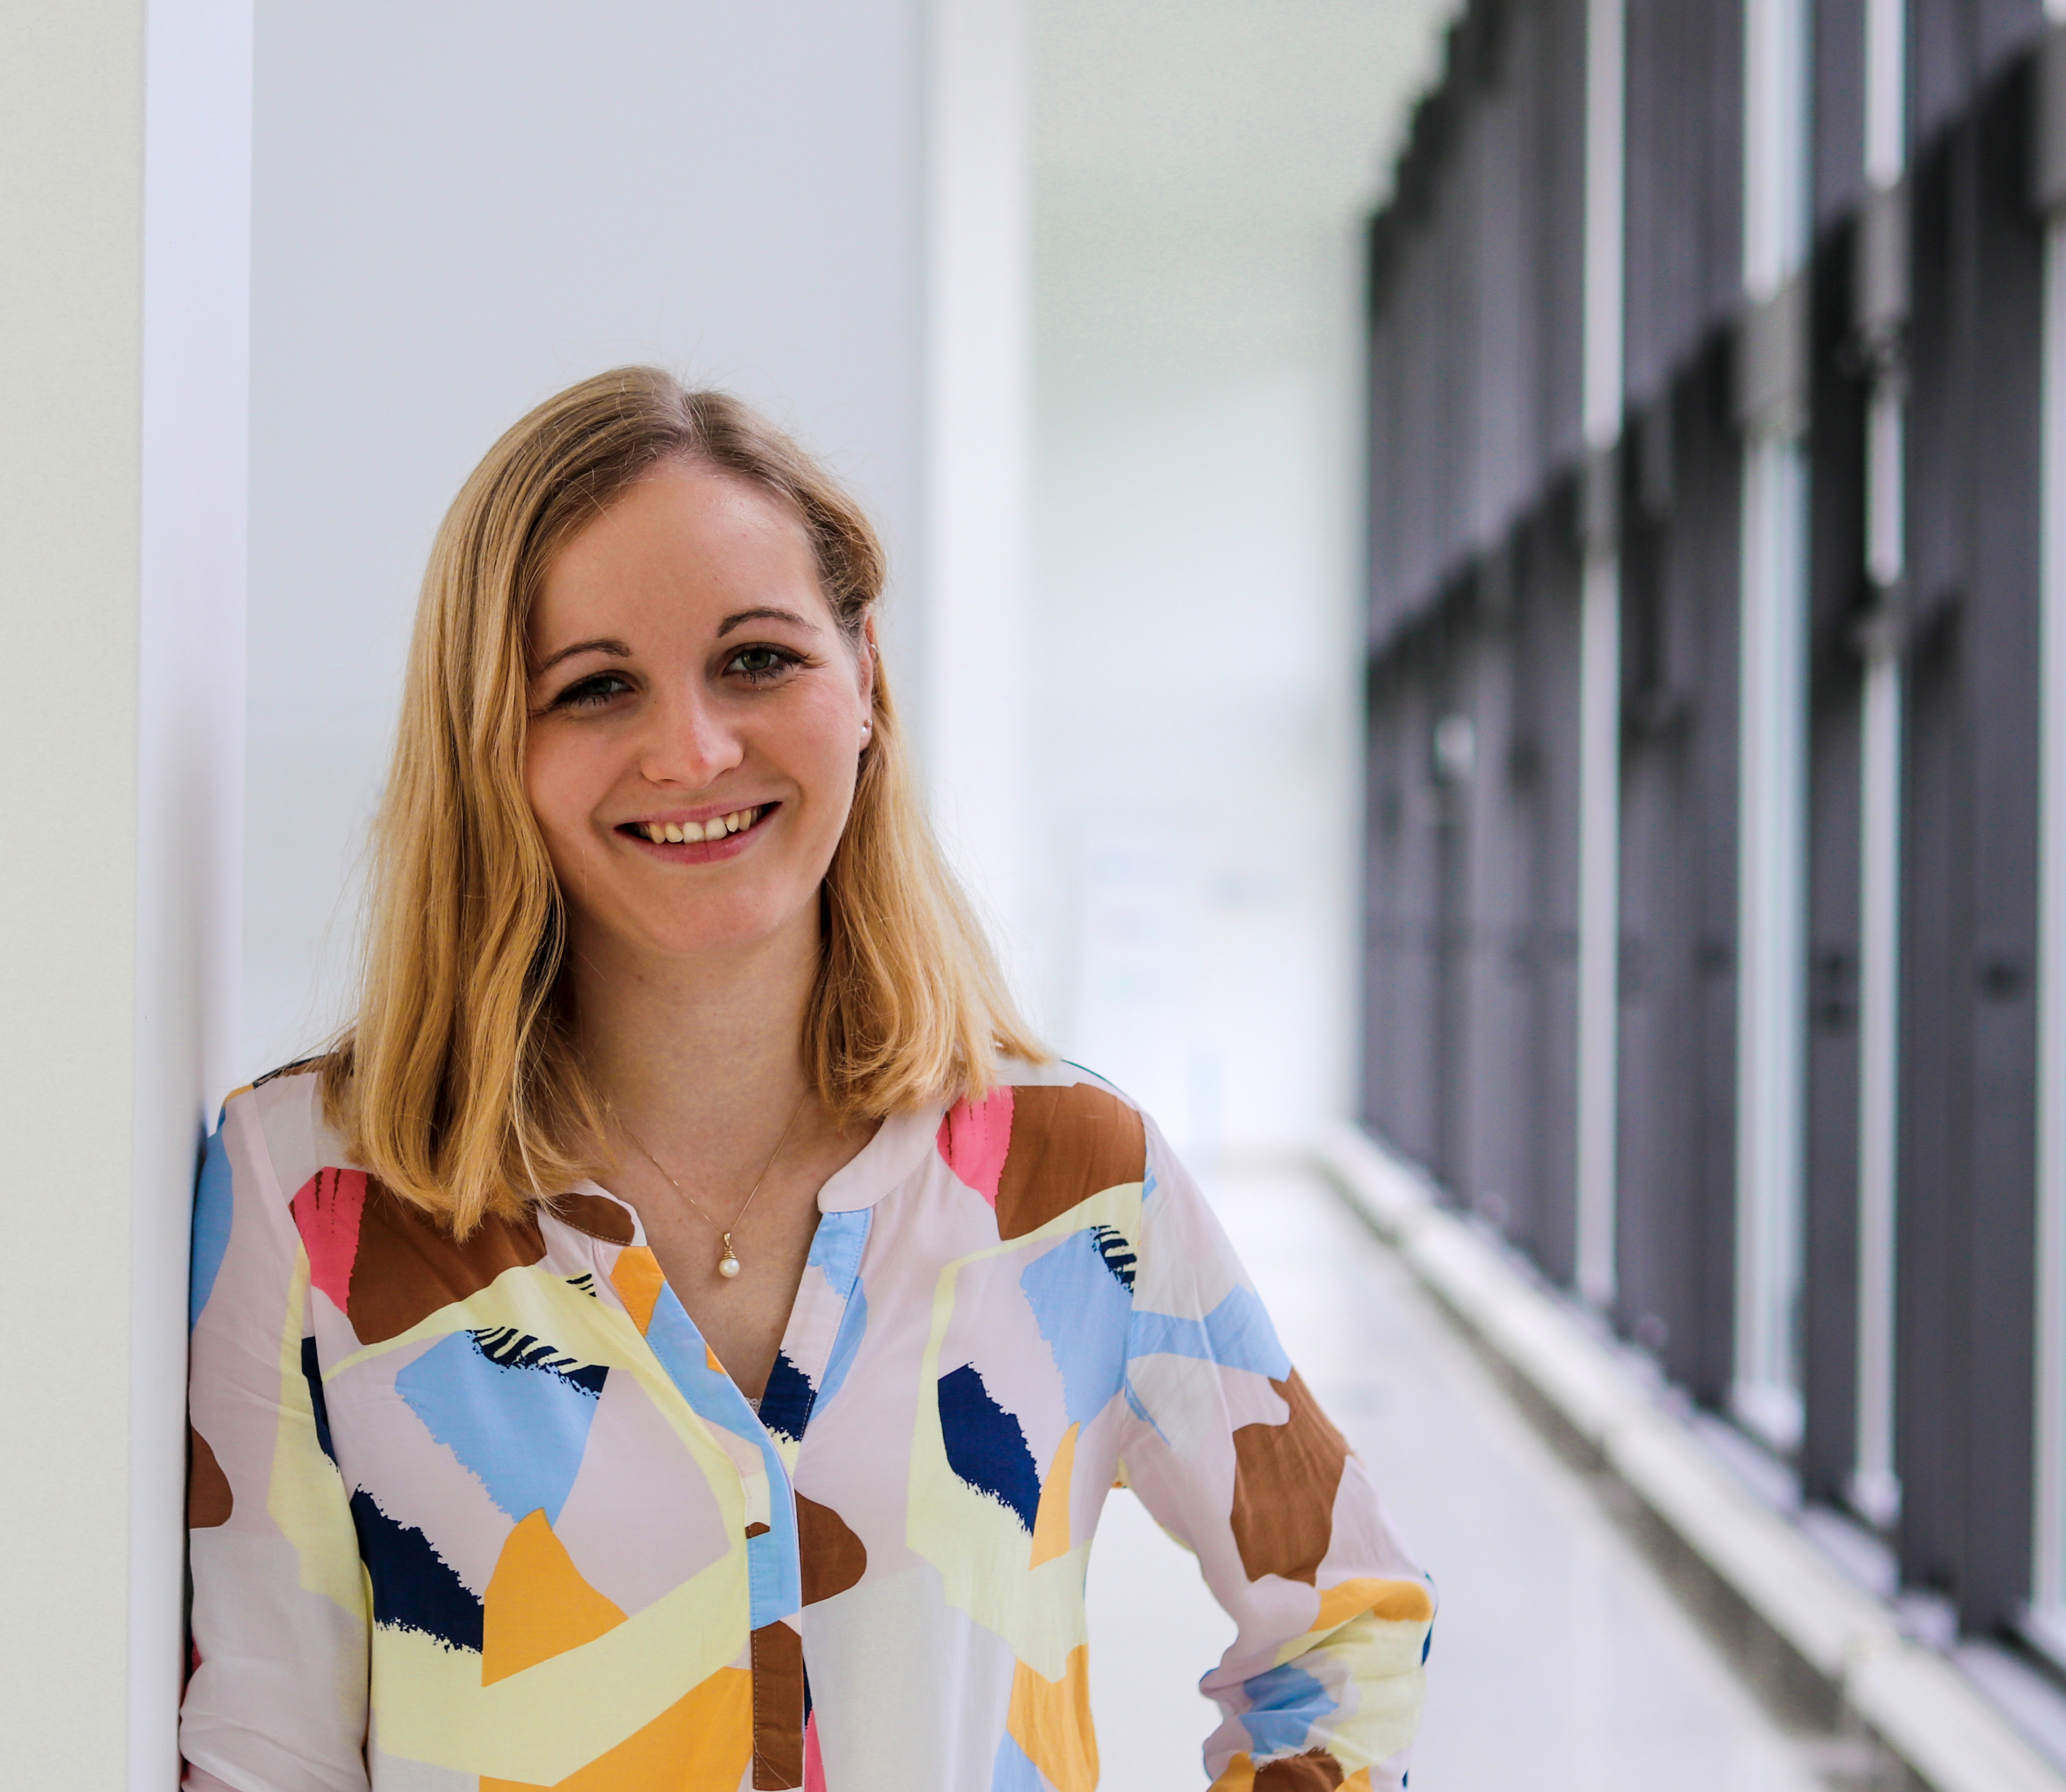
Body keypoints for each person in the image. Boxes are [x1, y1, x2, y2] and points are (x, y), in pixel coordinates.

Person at [180, 368, 1429, 1792]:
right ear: (491, 746)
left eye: (758, 661)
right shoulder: (308, 1191)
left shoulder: (1076, 1179)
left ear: (865, 679)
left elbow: (1349, 1627)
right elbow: (261, 1754)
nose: (693, 751)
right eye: (596, 687)